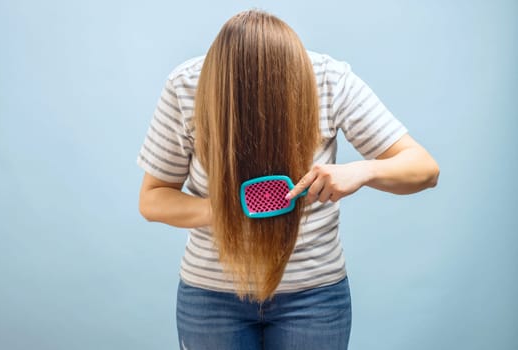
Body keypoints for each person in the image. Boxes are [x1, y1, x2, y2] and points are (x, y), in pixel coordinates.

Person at [136, 9, 439, 350]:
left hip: (314, 297)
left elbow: (425, 169)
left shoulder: (329, 79)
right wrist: (228, 211)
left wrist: (362, 171)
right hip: (211, 298)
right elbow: (152, 199)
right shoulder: (186, 86)